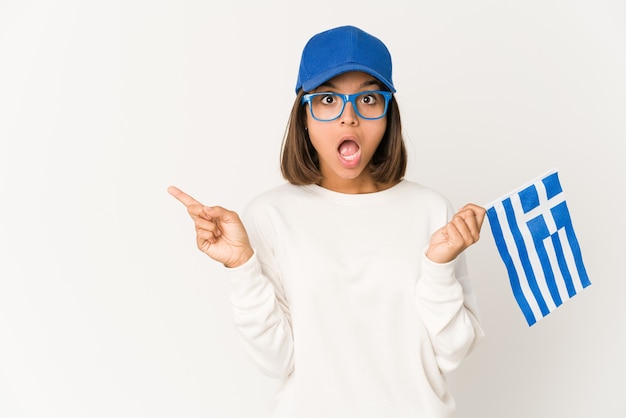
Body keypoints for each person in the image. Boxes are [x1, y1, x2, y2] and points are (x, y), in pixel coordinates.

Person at [168, 25, 486, 418]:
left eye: (368, 98)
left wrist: (438, 268)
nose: (348, 119)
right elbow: (275, 361)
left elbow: (454, 351)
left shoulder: (431, 210)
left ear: (389, 114)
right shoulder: (269, 215)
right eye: (328, 99)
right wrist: (242, 268)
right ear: (303, 115)